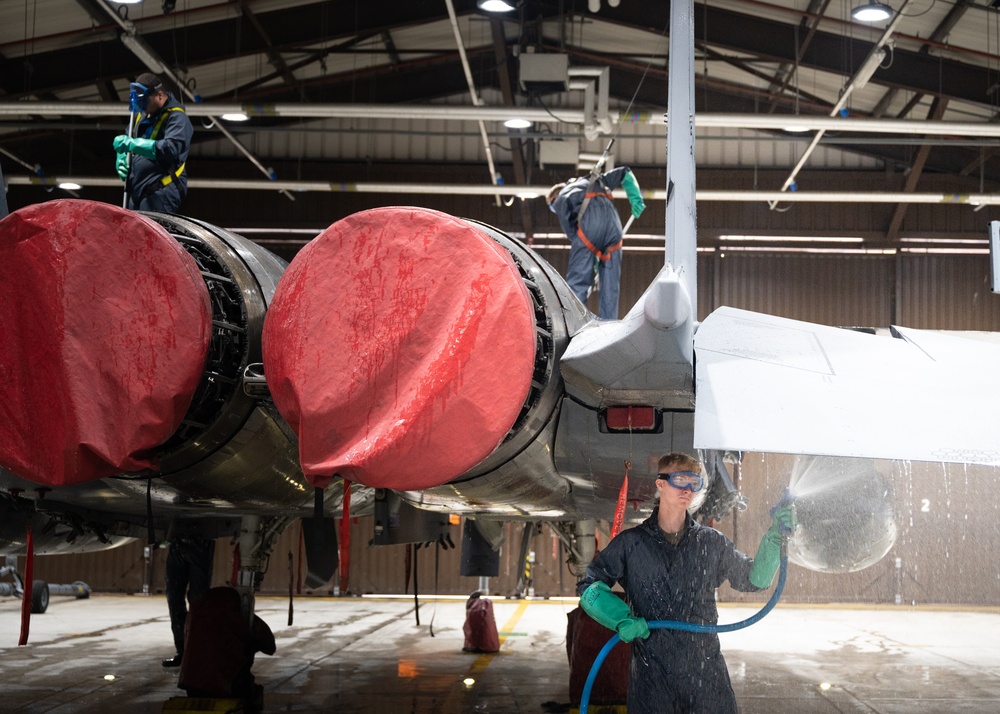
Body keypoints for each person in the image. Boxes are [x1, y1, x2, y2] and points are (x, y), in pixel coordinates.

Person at [577, 452, 795, 714]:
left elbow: (754, 579)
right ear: (660, 484)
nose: (689, 490)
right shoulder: (631, 544)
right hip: (652, 678)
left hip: (706, 676)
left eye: (695, 483)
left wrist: (773, 538)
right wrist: (621, 619)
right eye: (681, 480)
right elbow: (590, 587)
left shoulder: (710, 542)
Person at [546, 166, 645, 320]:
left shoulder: (562, 198)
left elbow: (572, 233)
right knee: (610, 287)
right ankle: (610, 326)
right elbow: (625, 172)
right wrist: (635, 198)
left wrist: (590, 256)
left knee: (577, 282)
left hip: (590, 229)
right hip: (614, 227)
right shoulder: (594, 180)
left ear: (555, 196)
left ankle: (576, 324)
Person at [113, 72, 192, 213]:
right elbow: (128, 137)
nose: (141, 107)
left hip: (161, 192)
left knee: (151, 234)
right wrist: (122, 156)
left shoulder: (177, 118)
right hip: (137, 192)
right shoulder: (141, 115)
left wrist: (133, 144)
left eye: (144, 101)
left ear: (159, 95)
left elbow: (170, 148)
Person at [162, 532, 215, 667]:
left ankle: (197, 651)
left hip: (201, 543)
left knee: (198, 601)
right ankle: (182, 651)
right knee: (174, 597)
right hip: (178, 544)